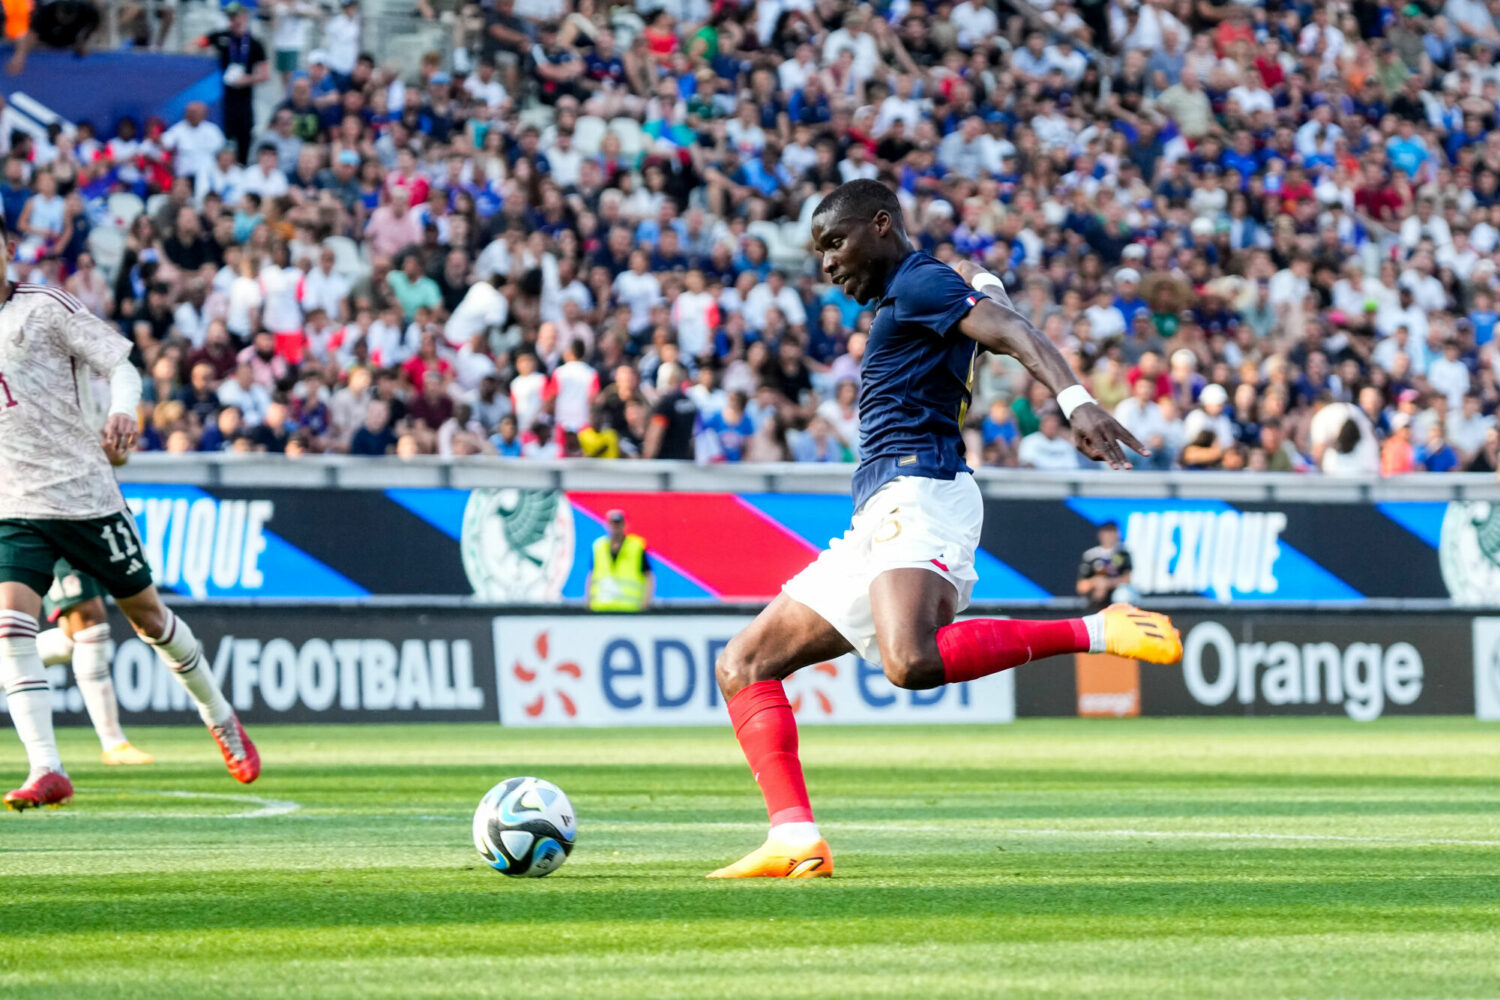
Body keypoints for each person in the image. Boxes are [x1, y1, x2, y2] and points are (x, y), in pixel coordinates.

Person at [708, 180, 1181, 879]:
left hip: (921, 490)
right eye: (818, 252)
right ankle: (794, 837)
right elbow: (993, 320)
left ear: (879, 225)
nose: (828, 264)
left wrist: (1077, 402)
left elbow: (1016, 333)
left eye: (835, 243)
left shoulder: (920, 280)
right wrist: (986, 293)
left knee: (910, 661)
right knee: (744, 665)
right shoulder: (924, 291)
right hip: (881, 509)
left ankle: (1096, 629)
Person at [0, 238, 258, 810]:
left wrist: (122, 409)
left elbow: (120, 365)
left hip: (84, 496)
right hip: (15, 506)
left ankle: (220, 716)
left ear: (8, 248)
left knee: (148, 618)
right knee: (10, 628)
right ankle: (47, 766)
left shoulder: (45, 306)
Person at [32, 386, 152, 766]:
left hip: (93, 515)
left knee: (75, 639)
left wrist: (116, 448)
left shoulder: (86, 390)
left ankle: (113, 741)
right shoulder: (32, 393)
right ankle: (113, 742)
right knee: (92, 626)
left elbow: (118, 460)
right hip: (48, 515)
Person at [584, 509, 654, 611]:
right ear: (606, 525)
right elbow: (592, 574)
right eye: (613, 523)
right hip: (602, 607)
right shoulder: (599, 546)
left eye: (618, 523)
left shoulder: (636, 547)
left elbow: (648, 575)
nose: (615, 527)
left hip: (629, 608)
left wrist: (646, 602)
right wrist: (588, 600)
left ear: (624, 525)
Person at [1076, 520, 1134, 612]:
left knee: (1124, 594)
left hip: (1115, 593)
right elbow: (1081, 586)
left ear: (1118, 534)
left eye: (1112, 532)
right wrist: (1096, 582)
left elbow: (1127, 580)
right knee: (1092, 595)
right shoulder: (1091, 555)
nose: (1109, 536)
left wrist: (1107, 583)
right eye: (1107, 532)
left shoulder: (1123, 554)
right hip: (1096, 595)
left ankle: (1123, 617)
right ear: (1100, 534)